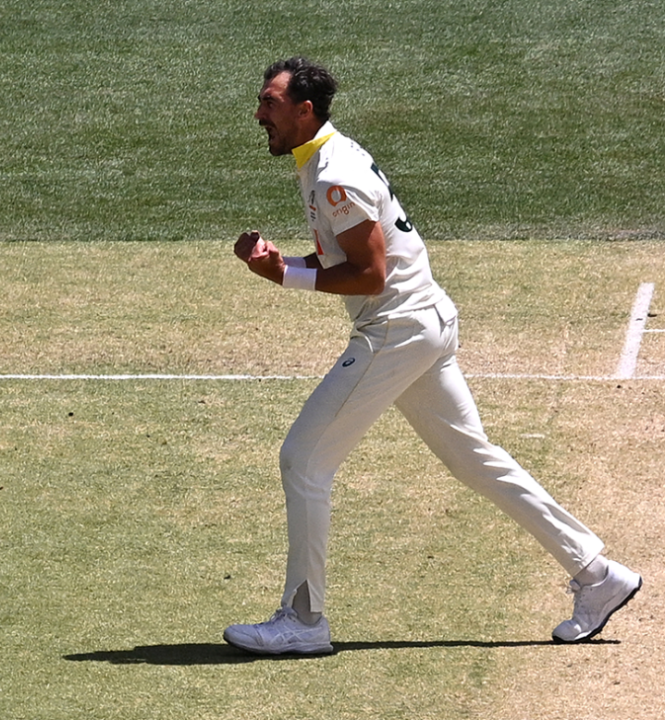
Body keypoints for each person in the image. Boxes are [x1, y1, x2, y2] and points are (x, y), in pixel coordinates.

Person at [223, 57, 642, 655]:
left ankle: (304, 621)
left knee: (302, 461)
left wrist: (284, 277)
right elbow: (354, 259)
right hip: (425, 322)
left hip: (396, 330)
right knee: (476, 460)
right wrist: (280, 267)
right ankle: (599, 575)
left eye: (269, 102)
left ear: (303, 109)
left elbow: (369, 276)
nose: (260, 113)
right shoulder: (324, 158)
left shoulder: (332, 175)